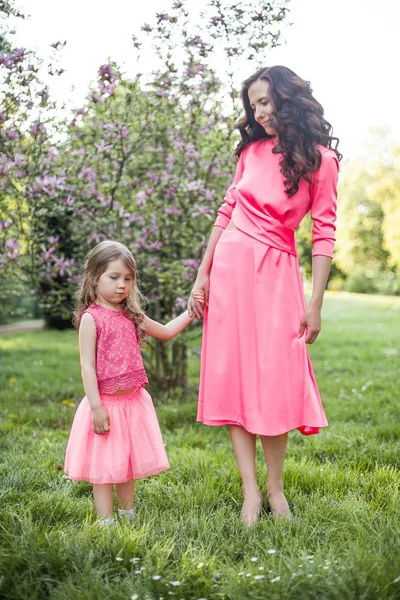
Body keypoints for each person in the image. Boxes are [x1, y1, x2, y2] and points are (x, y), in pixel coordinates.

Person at [188, 65, 341, 524]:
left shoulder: (321, 160)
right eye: (253, 105)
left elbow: (324, 233)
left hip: (277, 273)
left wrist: (315, 302)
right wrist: (203, 273)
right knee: (235, 377)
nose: (260, 112)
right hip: (231, 268)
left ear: (287, 99)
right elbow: (226, 209)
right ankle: (250, 493)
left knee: (274, 381)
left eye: (266, 102)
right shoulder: (251, 151)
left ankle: (277, 493)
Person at [64, 240, 203, 528]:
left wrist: (192, 311)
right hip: (106, 404)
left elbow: (165, 331)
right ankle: (105, 520)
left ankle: (128, 513)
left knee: (126, 463)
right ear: (94, 278)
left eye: (128, 279)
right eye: (114, 277)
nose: (122, 285)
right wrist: (96, 407)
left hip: (133, 402)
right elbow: (87, 367)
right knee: (103, 466)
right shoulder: (92, 318)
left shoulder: (131, 314)